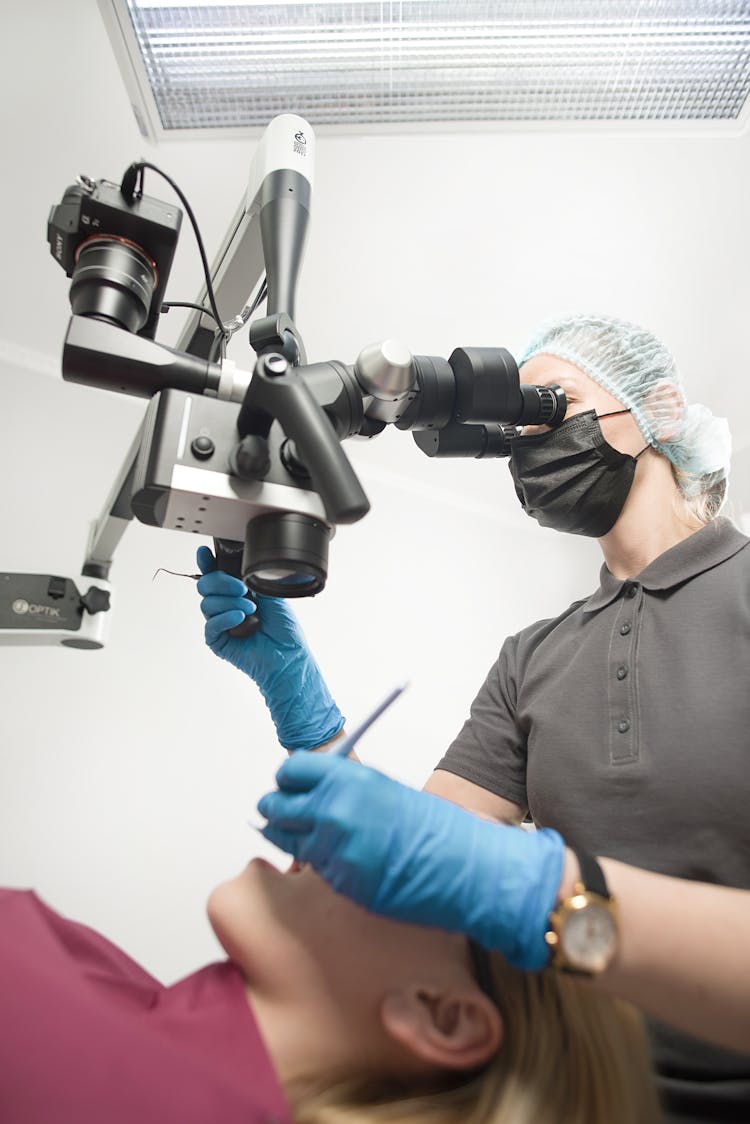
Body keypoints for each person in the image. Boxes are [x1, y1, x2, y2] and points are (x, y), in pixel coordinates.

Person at [195, 313, 750, 1123]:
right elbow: (413, 851)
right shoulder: (534, 656)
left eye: (548, 407)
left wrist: (545, 899)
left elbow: (496, 880)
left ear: (657, 408)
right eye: (517, 424)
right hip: (581, 1093)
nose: (530, 441)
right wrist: (299, 702)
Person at [0, 861, 663, 1123]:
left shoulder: (78, 1076)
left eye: (414, 861)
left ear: (442, 1015)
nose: (351, 840)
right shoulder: (139, 1019)